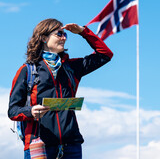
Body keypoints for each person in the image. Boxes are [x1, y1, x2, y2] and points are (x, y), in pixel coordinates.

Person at [8, 18, 113, 159]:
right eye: (59, 34)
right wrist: (30, 111)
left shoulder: (72, 67)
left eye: (65, 34)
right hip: (39, 146)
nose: (64, 37)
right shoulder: (27, 71)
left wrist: (83, 32)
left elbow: (105, 54)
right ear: (44, 38)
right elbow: (13, 111)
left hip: (71, 145)